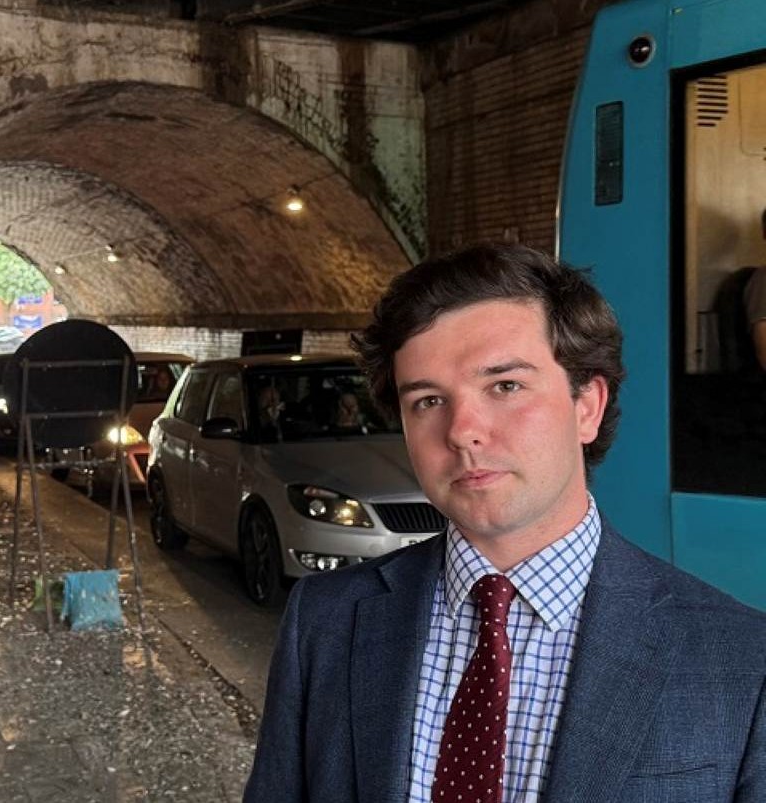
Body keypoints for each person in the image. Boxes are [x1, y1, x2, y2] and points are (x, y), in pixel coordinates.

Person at [244, 242, 766, 803]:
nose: (462, 430)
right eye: (427, 400)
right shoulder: (325, 620)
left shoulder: (742, 661)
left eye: (505, 386)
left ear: (586, 405)